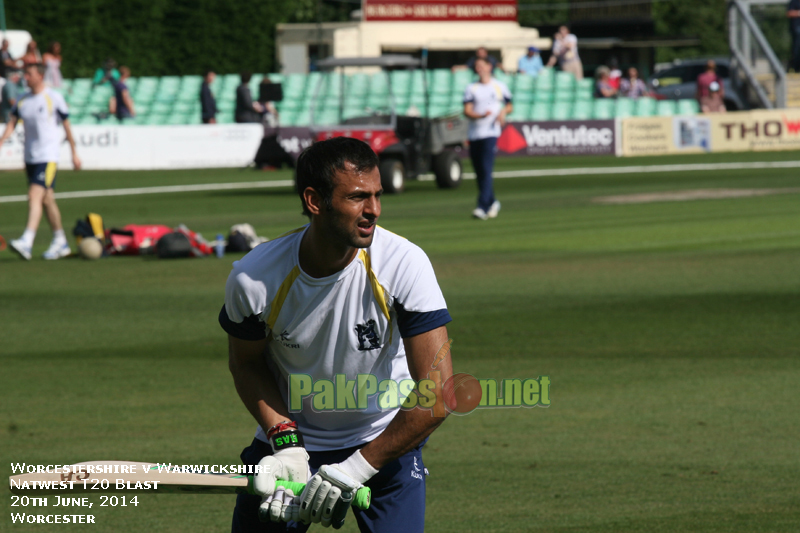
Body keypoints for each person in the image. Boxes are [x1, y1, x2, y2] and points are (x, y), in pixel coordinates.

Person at [219, 136, 454, 532]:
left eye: (378, 196)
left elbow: (439, 390)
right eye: (358, 197)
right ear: (315, 201)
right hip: (289, 445)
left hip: (383, 443)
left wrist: (356, 469)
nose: (374, 211)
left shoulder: (404, 263)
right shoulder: (253, 277)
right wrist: (286, 443)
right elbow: (246, 364)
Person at [0, 63, 82, 261]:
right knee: (46, 200)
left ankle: (27, 241)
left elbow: (67, 126)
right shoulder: (22, 99)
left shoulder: (53, 98)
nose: (24, 77)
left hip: (48, 156)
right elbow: (12, 123)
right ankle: (60, 241)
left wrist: (74, 153)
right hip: (30, 157)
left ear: (40, 76)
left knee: (34, 194)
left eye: (28, 74)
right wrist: (1, 142)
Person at [463, 57, 512, 220]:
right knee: (479, 171)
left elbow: (509, 105)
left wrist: (503, 113)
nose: (479, 69)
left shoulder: (499, 86)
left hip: (491, 133)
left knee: (486, 169)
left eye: (482, 65)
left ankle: (482, 206)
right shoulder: (472, 87)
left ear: (489, 67)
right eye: (477, 66)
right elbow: (467, 110)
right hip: (475, 133)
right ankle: (492, 201)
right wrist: (481, 115)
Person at [788, 0, 800, 72]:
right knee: (796, 49)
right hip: (796, 28)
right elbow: (789, 13)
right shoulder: (794, 2)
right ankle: (795, 67)